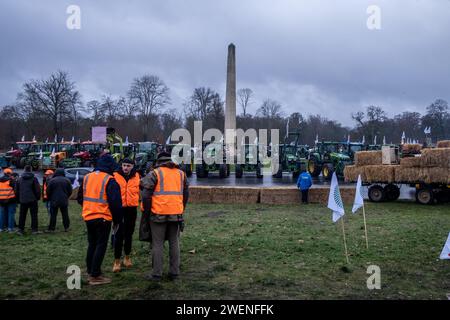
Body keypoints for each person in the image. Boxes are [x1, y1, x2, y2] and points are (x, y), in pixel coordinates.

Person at [140, 151, 189, 281]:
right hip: (176, 214)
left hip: (158, 214)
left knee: (157, 243)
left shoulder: (155, 173)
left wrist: (147, 212)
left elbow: (145, 195)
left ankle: (157, 274)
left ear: (158, 161)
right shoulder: (181, 174)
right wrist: (181, 208)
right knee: (174, 242)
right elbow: (186, 193)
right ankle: (174, 273)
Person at [77, 154, 122, 285]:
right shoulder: (110, 180)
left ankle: (91, 270)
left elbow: (80, 198)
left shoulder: (87, 177)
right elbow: (115, 204)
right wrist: (117, 220)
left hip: (88, 216)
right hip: (102, 218)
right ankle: (95, 275)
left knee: (92, 244)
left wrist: (89, 207)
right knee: (101, 245)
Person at [112, 158, 140, 272]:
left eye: (128, 165)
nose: (126, 168)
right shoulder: (115, 176)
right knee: (118, 235)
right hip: (119, 209)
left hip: (132, 209)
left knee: (129, 234)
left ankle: (127, 258)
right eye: (124, 165)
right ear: (121, 166)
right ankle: (117, 261)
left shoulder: (137, 176)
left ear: (132, 166)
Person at [15, 165, 41, 235]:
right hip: (32, 199)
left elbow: (16, 190)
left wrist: (18, 199)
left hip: (23, 199)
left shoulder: (19, 179)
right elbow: (37, 190)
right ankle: (34, 230)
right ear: (31, 170)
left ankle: (20, 229)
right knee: (34, 215)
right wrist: (37, 197)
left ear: (24, 170)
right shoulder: (34, 178)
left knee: (22, 215)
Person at [45, 168, 73, 232]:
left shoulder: (52, 180)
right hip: (64, 200)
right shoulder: (67, 180)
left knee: (53, 215)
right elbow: (70, 191)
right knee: (65, 214)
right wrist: (66, 196)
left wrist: (50, 197)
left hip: (54, 200)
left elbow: (48, 191)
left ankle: (52, 228)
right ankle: (66, 227)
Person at [0, 168, 17, 232]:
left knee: (1, 214)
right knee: (11, 214)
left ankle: (1, 228)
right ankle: (10, 228)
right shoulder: (11, 181)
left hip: (1, 200)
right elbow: (16, 190)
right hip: (10, 199)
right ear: (9, 174)